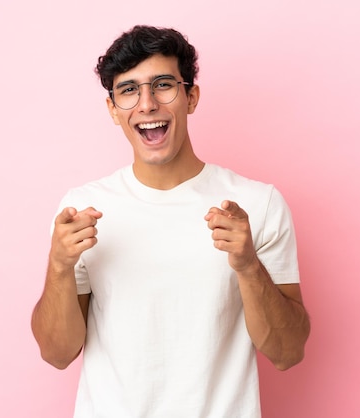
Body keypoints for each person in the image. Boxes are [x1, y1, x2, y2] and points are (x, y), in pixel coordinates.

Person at [31, 25, 310, 417]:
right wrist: (59, 266)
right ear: (113, 109)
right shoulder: (82, 208)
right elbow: (57, 354)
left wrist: (248, 266)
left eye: (163, 85)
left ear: (190, 97)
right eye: (128, 90)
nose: (147, 104)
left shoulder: (257, 204)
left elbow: (288, 352)